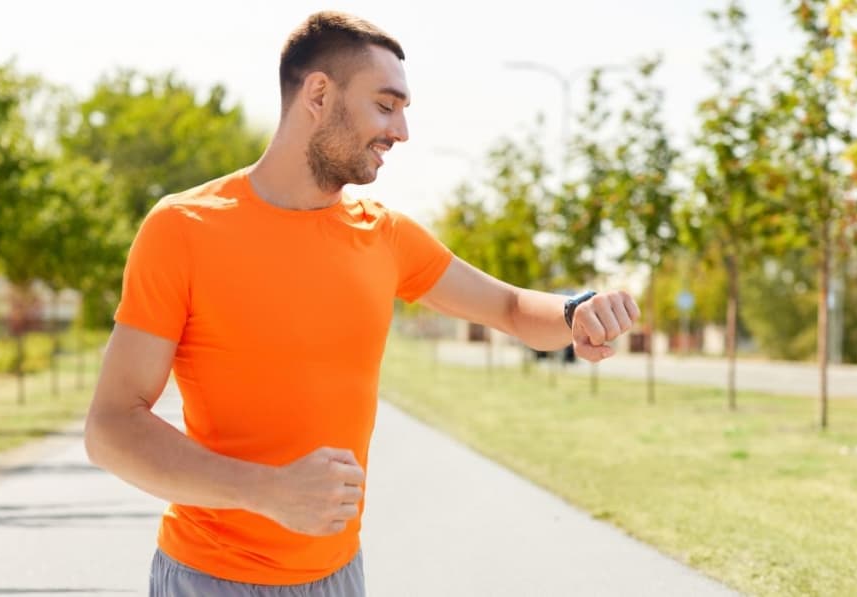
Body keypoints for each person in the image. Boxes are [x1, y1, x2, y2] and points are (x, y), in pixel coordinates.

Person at [84, 10, 640, 596]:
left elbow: (508, 308)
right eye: (386, 105)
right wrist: (267, 491)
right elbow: (112, 428)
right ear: (319, 94)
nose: (401, 131)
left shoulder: (385, 235)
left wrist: (576, 312)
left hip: (339, 577)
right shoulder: (184, 228)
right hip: (211, 578)